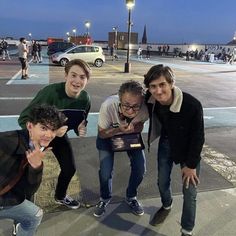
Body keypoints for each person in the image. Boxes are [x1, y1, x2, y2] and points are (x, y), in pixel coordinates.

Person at [18, 59, 91, 210]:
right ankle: (22, 209)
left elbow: (79, 122)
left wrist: (80, 128)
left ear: (87, 80)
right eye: (73, 75)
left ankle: (60, 196)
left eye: (82, 77)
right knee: (28, 171)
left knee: (69, 168)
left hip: (58, 138)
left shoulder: (85, 99)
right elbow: (24, 118)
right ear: (66, 76)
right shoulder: (50, 93)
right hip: (37, 137)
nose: (77, 81)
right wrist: (46, 133)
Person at [143, 64, 204, 236]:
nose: (158, 91)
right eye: (153, 86)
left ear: (171, 83)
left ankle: (187, 230)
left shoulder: (192, 105)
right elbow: (131, 98)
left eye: (162, 84)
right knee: (162, 181)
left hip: (188, 148)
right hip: (167, 142)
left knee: (190, 192)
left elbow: (198, 137)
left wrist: (191, 165)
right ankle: (166, 204)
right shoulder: (150, 97)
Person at [0, 104, 67, 236]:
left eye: (53, 130)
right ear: (30, 126)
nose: (48, 135)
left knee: (34, 215)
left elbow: (29, 191)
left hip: (9, 197)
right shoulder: (6, 140)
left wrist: (36, 167)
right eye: (43, 128)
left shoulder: (37, 146)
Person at [93, 80, 149, 217]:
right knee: (105, 172)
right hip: (107, 136)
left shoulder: (146, 108)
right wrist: (118, 129)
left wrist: (134, 128)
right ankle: (104, 198)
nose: (130, 111)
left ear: (141, 102)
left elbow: (141, 124)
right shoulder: (108, 105)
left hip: (131, 135)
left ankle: (131, 197)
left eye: (135, 107)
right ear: (119, 99)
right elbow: (101, 133)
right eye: (126, 106)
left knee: (140, 168)